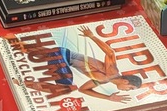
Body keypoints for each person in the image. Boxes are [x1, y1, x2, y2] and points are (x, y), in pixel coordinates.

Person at [12, 26, 143, 104]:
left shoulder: (104, 81)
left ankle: (13, 43)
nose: (128, 91)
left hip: (62, 56)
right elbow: (110, 52)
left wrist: (108, 97)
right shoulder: (113, 72)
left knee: (32, 51)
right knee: (65, 88)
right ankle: (22, 82)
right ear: (126, 81)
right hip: (63, 55)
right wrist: (92, 36)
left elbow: (83, 89)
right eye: (130, 88)